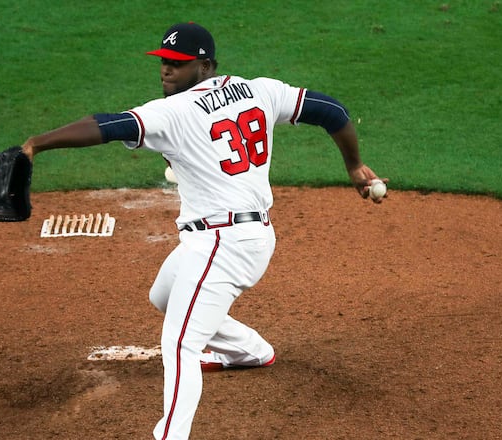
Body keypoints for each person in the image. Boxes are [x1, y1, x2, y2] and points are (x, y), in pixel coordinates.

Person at [20, 22, 387, 440]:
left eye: (178, 64)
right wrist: (354, 165)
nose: (167, 72)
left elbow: (107, 125)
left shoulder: (173, 112)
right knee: (164, 295)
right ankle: (250, 350)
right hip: (229, 238)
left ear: (206, 65)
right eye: (164, 63)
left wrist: (36, 143)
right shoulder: (259, 89)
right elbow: (332, 112)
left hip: (223, 244)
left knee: (179, 345)